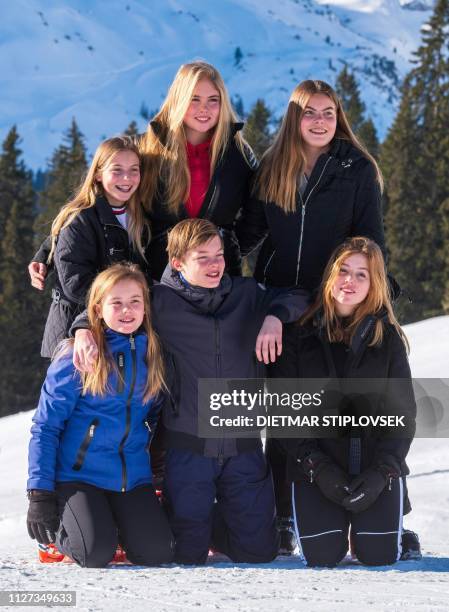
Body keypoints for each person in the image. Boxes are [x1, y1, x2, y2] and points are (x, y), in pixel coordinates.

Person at [71, 218, 310, 565]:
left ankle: (222, 526)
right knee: (186, 555)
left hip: (243, 447)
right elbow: (112, 303)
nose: (216, 265)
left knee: (259, 553)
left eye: (219, 255)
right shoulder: (159, 301)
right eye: (204, 257)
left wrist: (274, 315)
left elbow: (300, 296)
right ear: (178, 262)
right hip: (188, 448)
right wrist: (82, 328)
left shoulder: (247, 294)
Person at [239, 79, 387, 553]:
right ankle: (282, 516)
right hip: (277, 300)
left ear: (338, 116)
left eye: (328, 112)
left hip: (330, 305)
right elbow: (247, 234)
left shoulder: (356, 169)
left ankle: (386, 513)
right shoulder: (273, 166)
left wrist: (368, 295)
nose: (319, 121)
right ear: (294, 117)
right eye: (309, 112)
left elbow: (370, 238)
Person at [270, 237, 416, 567]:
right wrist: (316, 467)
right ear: (330, 274)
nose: (349, 281)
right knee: (322, 557)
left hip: (374, 466)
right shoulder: (298, 334)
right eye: (344, 271)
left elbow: (403, 413)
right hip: (318, 468)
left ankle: (392, 526)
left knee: (378, 556)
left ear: (374, 283)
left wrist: (383, 471)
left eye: (361, 275)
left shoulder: (387, 337)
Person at [27, 263, 175, 567]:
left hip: (131, 478)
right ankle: (57, 534)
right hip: (78, 476)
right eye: (116, 303)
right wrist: (39, 493)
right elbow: (45, 428)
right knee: (94, 553)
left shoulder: (155, 355)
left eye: (135, 302)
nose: (127, 311)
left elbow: (157, 419)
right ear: (98, 307)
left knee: (157, 552)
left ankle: (111, 525)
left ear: (145, 307)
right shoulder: (77, 356)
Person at [138, 59, 259, 279]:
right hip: (160, 279)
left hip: (219, 280)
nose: (204, 108)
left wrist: (227, 247)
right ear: (178, 100)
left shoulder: (238, 154)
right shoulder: (147, 150)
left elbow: (259, 211)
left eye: (213, 100)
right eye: (194, 99)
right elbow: (101, 201)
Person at [35, 136, 150, 358]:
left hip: (123, 330)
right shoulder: (80, 218)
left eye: (134, 170)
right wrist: (122, 304)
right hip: (76, 335)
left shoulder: (139, 216)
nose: (127, 178)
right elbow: (75, 284)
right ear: (98, 174)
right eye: (117, 170)